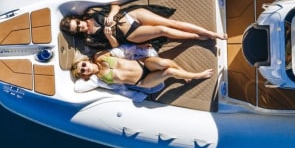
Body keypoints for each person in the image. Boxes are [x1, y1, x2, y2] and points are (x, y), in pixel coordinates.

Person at [60, 3, 225, 50]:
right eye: (78, 30)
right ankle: (196, 37)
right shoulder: (90, 39)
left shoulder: (91, 11)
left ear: (78, 18)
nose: (81, 27)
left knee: (171, 23)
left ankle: (213, 33)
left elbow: (116, 6)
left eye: (79, 24)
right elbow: (115, 47)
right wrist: (110, 36)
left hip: (129, 15)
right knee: (163, 31)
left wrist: (110, 15)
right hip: (130, 34)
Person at [71, 49, 214, 92]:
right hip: (142, 81)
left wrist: (139, 48)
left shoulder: (100, 56)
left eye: (83, 65)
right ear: (85, 76)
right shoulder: (97, 79)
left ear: (86, 60)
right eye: (82, 72)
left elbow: (120, 49)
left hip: (142, 64)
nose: (85, 69)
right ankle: (197, 75)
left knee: (165, 63)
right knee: (169, 72)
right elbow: (78, 88)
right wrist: (81, 78)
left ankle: (182, 73)